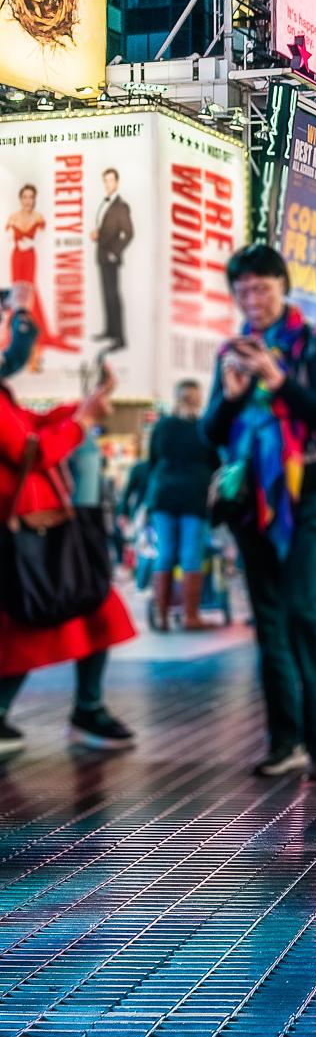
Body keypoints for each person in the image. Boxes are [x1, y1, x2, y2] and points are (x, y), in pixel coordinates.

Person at [202, 243, 316, 783]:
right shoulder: (232, 352)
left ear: (283, 287)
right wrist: (235, 396)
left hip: (309, 488)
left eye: (261, 288)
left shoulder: (314, 343)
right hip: (251, 499)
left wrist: (278, 380)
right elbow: (209, 434)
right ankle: (285, 741)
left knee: (303, 607)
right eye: (243, 291)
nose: (253, 299)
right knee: (267, 619)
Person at [0, 309, 135, 754]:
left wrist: (83, 409)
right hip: (23, 534)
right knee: (28, 625)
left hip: (40, 532)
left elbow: (30, 428)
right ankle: (83, 710)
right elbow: (28, 450)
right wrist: (80, 421)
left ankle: (88, 708)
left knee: (80, 611)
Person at [145, 380, 217, 631]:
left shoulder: (162, 426)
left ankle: (162, 617)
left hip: (163, 495)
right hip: (194, 496)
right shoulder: (203, 428)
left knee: (164, 552)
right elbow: (216, 462)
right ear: (198, 399)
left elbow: (152, 460)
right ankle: (190, 616)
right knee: (190, 554)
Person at [5, 185, 56, 356]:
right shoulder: (13, 217)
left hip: (30, 257)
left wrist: (24, 241)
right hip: (16, 257)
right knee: (16, 290)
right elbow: (8, 237)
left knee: (29, 289)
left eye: (31, 197)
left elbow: (39, 239)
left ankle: (34, 330)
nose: (28, 200)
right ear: (20, 199)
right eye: (25, 196)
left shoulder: (38, 217)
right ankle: (15, 329)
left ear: (34, 199)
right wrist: (17, 241)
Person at [93, 167, 135, 354]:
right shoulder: (106, 204)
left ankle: (120, 338)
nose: (108, 184)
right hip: (102, 257)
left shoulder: (121, 206)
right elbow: (109, 230)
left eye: (111, 180)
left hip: (110, 258)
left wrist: (114, 252)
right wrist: (98, 235)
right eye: (105, 180)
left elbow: (129, 233)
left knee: (114, 296)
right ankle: (110, 330)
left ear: (116, 182)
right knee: (106, 295)